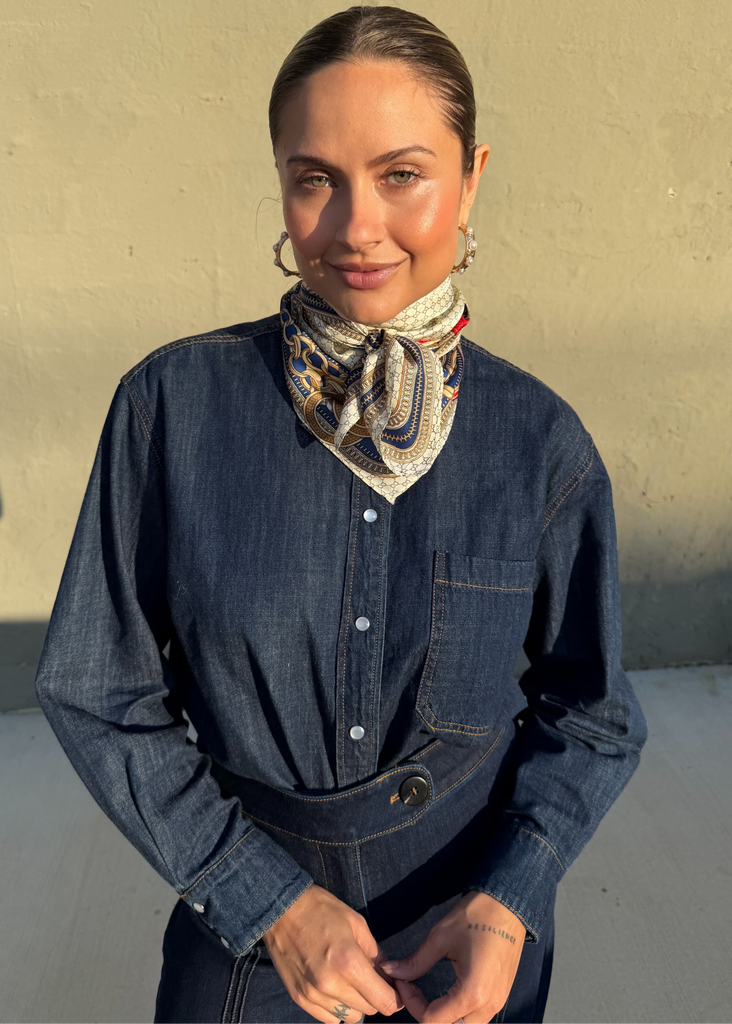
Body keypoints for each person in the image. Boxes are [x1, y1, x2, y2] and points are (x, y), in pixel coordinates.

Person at [34, 7, 648, 1024]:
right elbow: (97, 690)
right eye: (314, 177)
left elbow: (592, 708)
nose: (357, 227)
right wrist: (262, 897)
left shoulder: (539, 441)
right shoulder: (174, 409)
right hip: (246, 941)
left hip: (472, 948)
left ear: (472, 174)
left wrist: (515, 897)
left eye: (402, 173)